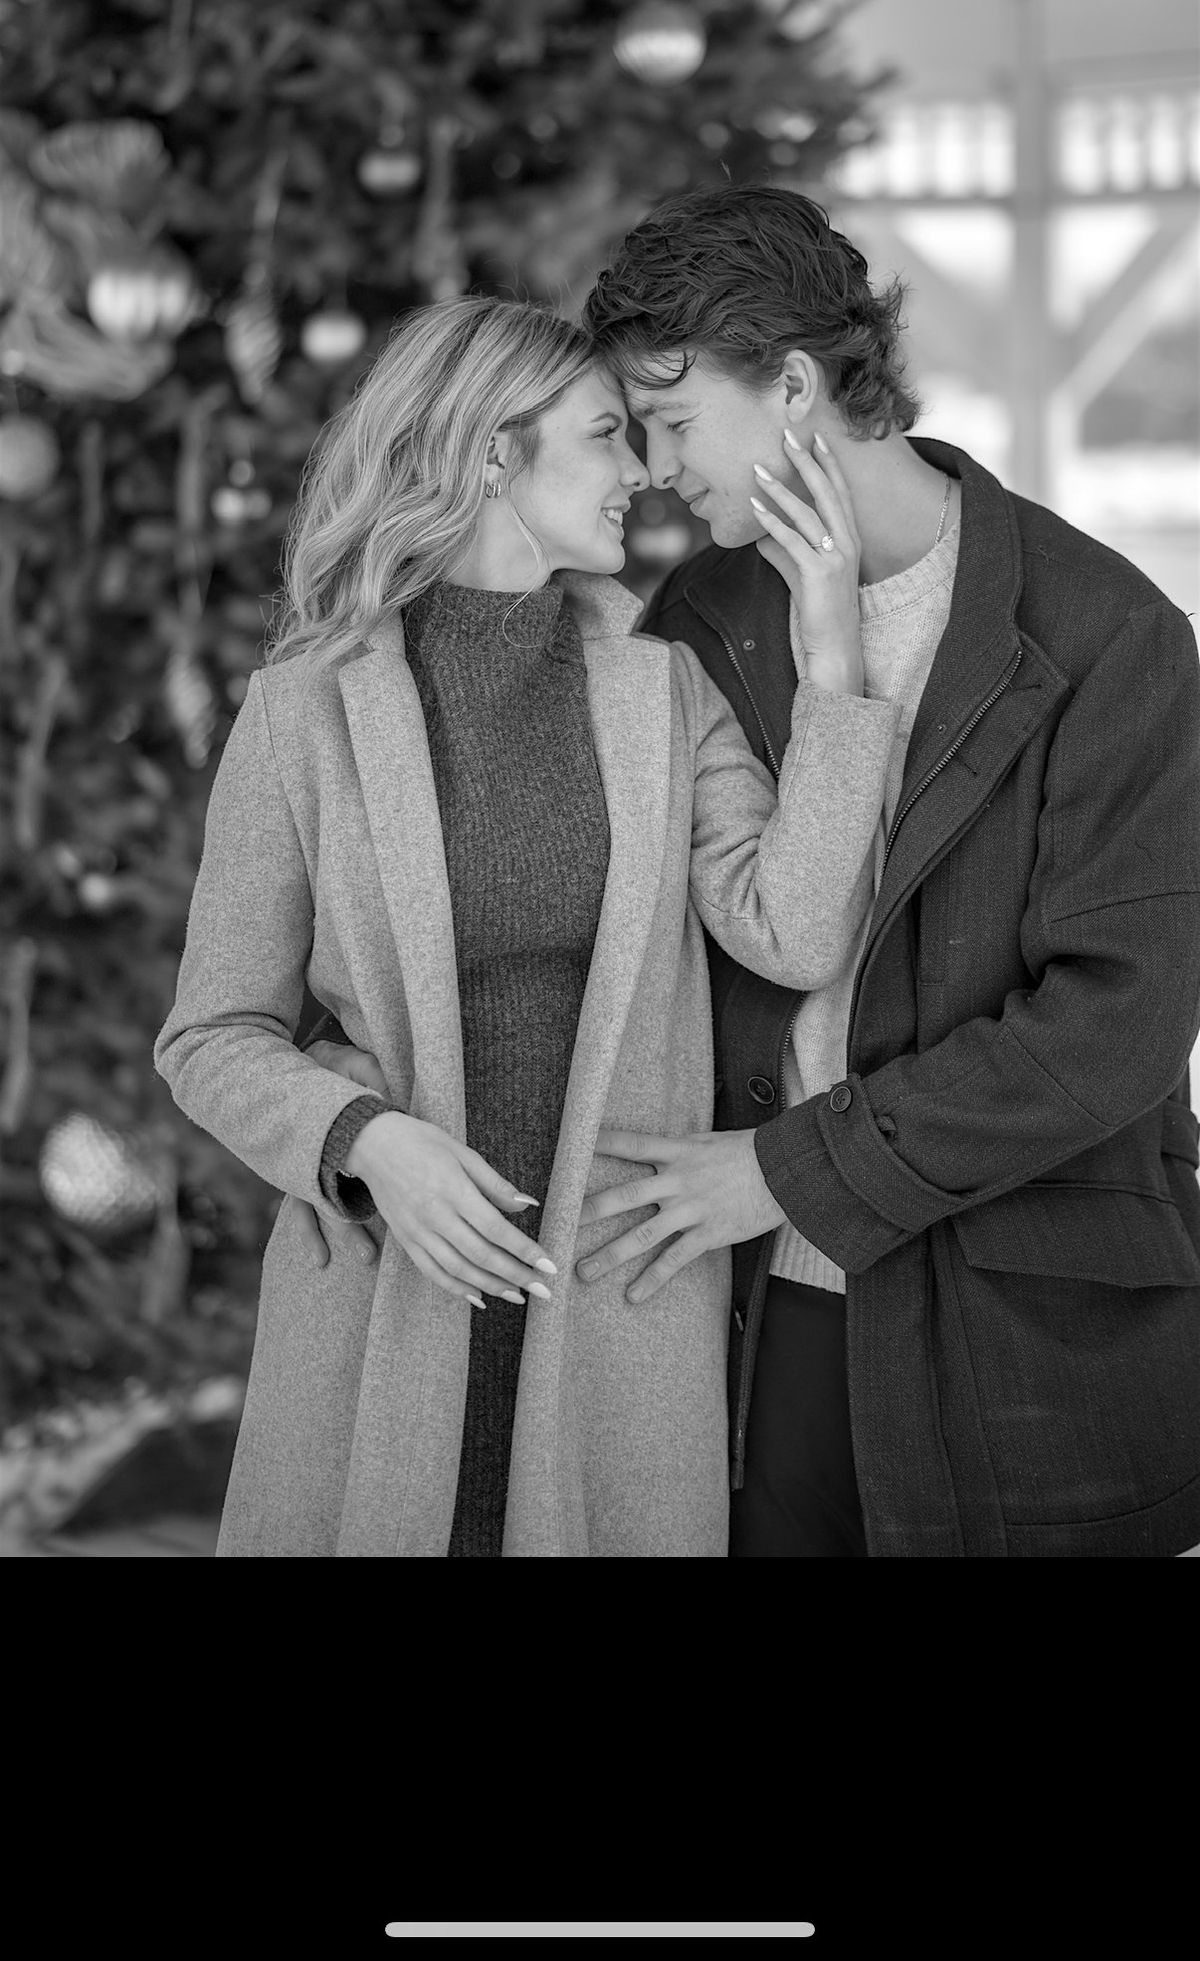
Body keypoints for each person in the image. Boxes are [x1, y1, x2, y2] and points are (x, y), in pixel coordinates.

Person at [302, 185, 1200, 1559]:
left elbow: (1116, 1027)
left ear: (791, 384)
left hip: (1018, 1337)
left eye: (669, 419)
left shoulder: (1107, 633)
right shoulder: (698, 620)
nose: (654, 469)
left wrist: (792, 1172)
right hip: (743, 1317)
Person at [155, 291, 899, 1557]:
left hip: (614, 1317)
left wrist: (832, 653)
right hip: (385, 1306)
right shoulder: (300, 714)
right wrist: (367, 1139)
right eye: (606, 433)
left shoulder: (665, 686)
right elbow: (210, 1033)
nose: (642, 472)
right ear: (496, 453)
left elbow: (795, 931)